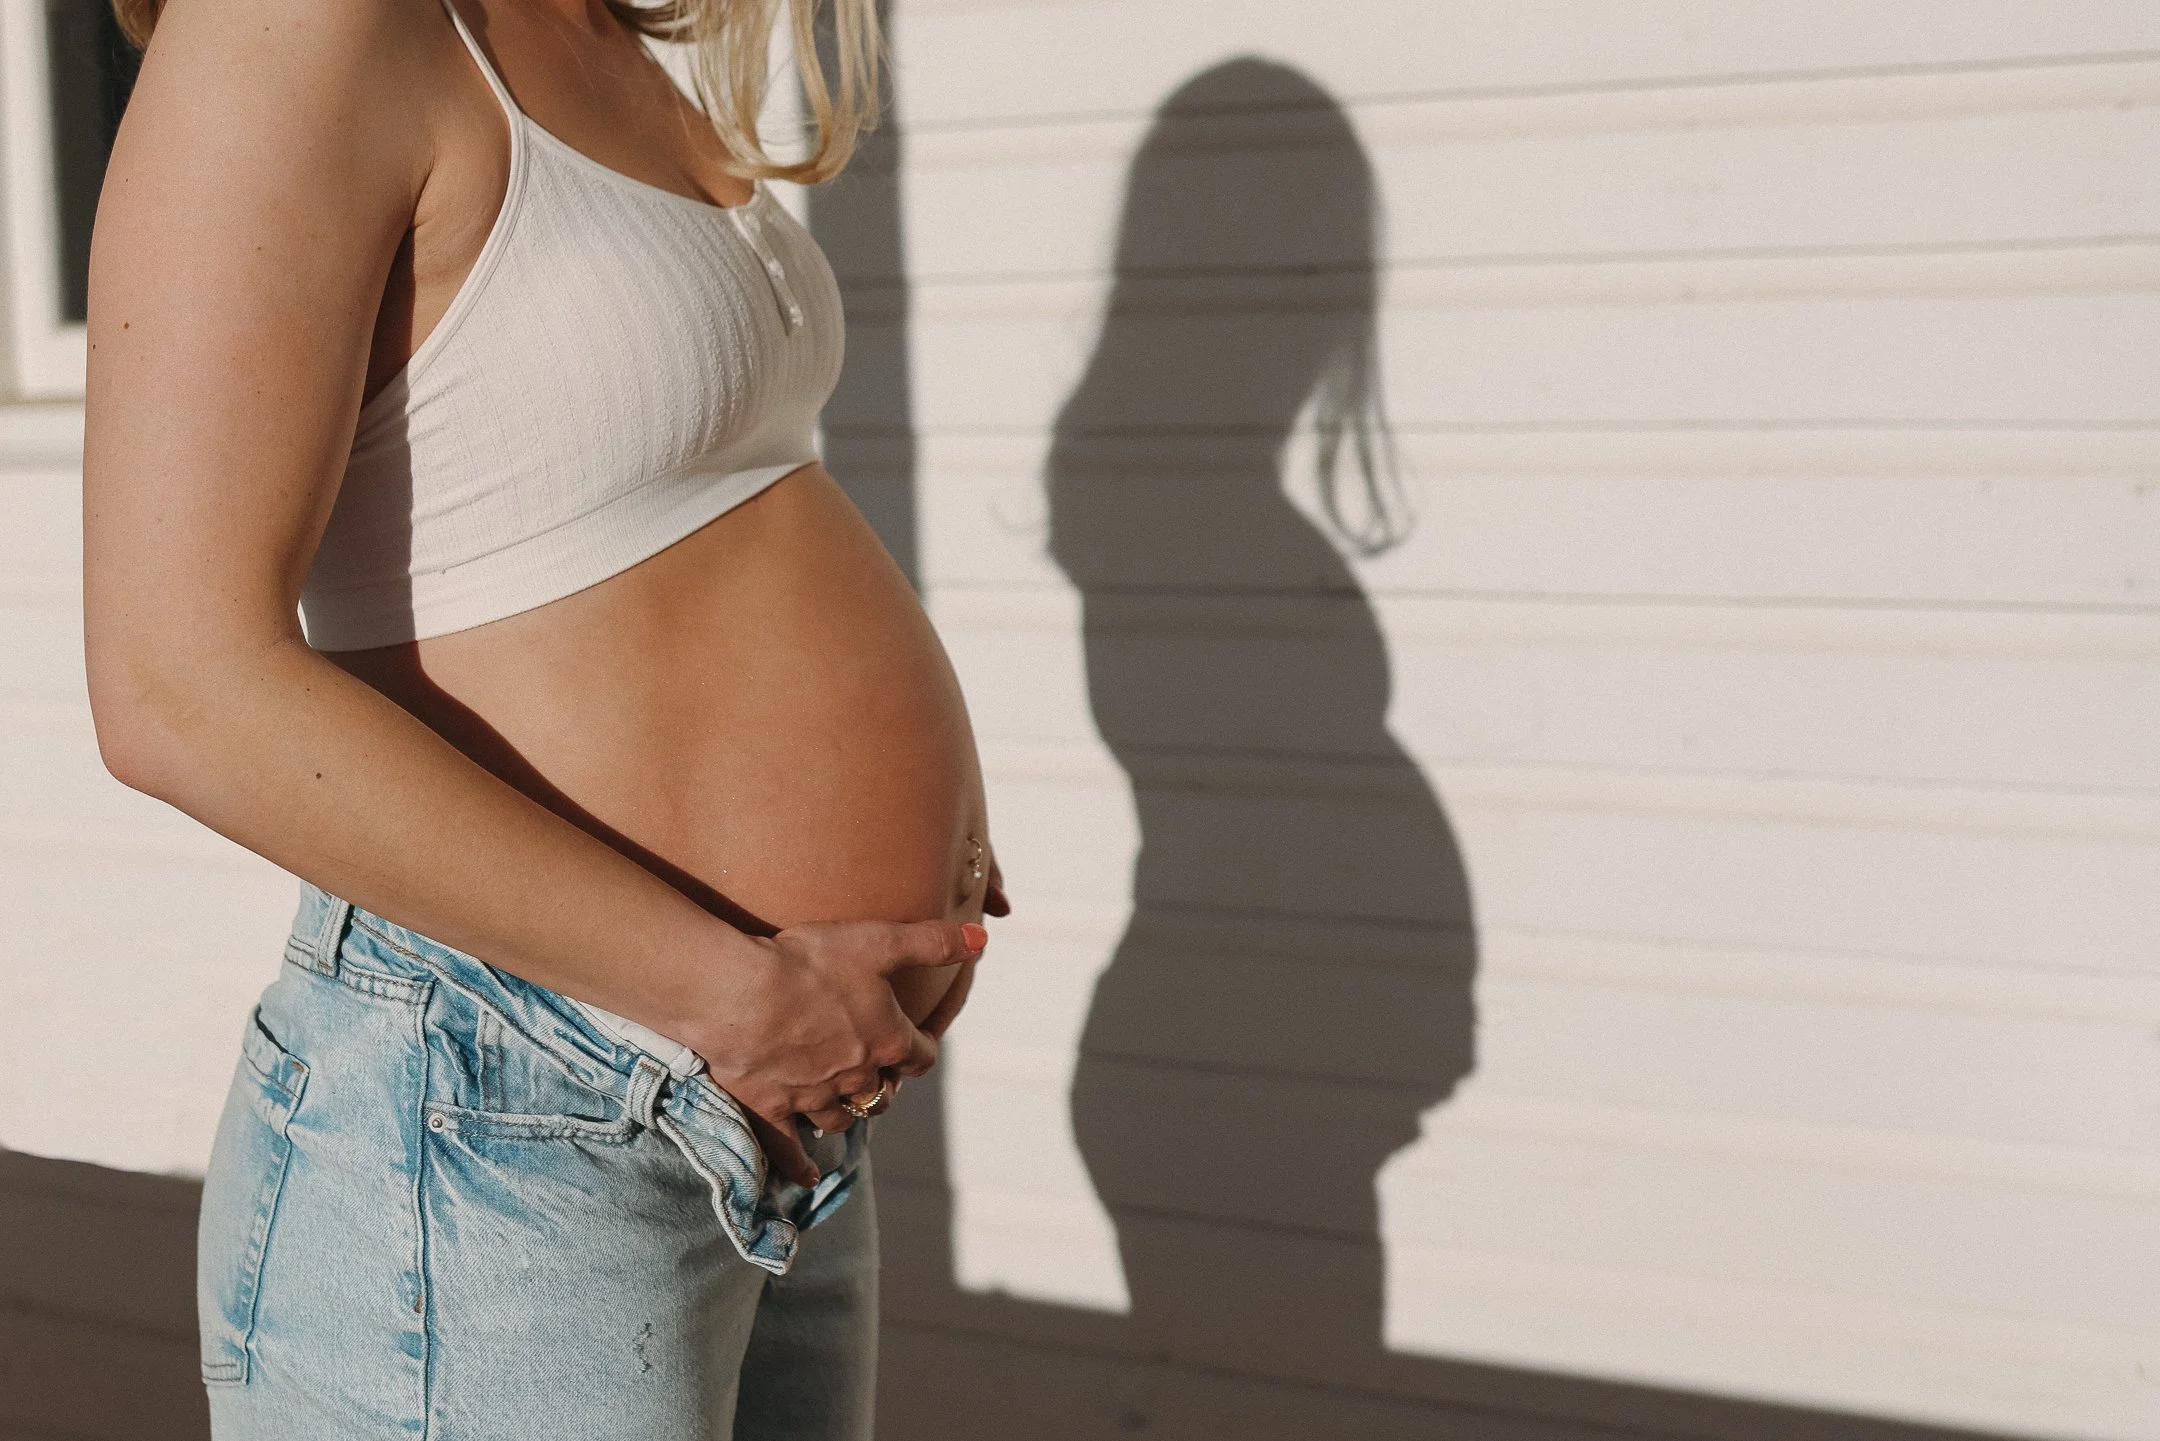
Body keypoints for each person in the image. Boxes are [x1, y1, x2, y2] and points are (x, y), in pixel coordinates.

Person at [79, 1, 1002, 1436]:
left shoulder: (602, 32)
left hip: (762, 1107)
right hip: (513, 1105)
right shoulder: (304, 24)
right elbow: (177, 686)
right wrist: (730, 993)